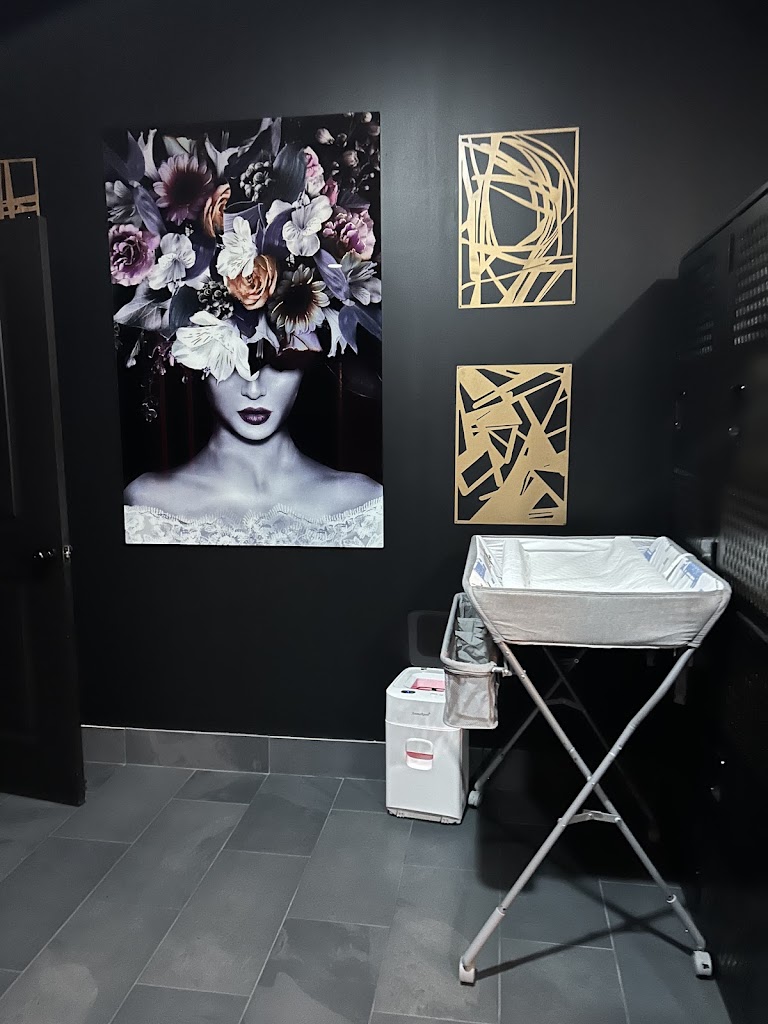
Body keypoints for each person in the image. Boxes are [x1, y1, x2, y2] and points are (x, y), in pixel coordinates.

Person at [124, 361, 383, 547]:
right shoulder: (149, 504)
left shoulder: (366, 504)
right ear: (193, 360)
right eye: (230, 360)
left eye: (277, 363)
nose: (254, 390)